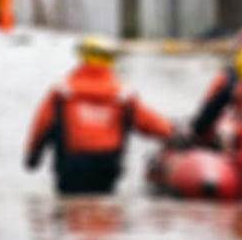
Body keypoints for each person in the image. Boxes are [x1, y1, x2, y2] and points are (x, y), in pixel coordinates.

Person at [25, 35, 175, 195]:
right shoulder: (122, 94)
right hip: (107, 165)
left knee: (69, 209)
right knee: (103, 208)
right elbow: (148, 122)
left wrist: (33, 156)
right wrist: (173, 132)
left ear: (82, 57)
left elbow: (42, 125)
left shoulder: (62, 91)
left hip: (71, 165)